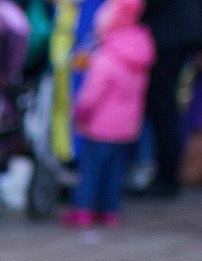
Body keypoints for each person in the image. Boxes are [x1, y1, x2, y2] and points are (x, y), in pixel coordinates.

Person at [67, 0, 153, 226]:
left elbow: (91, 95)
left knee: (91, 171)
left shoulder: (106, 58)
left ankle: (83, 210)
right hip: (126, 127)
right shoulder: (138, 55)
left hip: (100, 128)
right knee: (115, 173)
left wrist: (80, 113)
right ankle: (110, 212)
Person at [141, 0, 202, 196]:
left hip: (166, 35)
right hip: (178, 32)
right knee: (165, 106)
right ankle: (165, 174)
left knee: (163, 108)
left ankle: (166, 178)